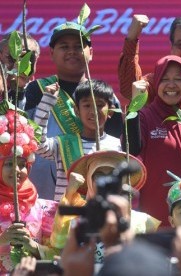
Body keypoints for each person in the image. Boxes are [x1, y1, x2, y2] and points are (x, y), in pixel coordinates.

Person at [23, 21, 123, 200]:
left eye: (78, 46)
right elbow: (25, 140)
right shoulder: (37, 90)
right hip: (42, 197)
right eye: (64, 46)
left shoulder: (103, 95)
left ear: (90, 53)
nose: (71, 51)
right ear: (52, 53)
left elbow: (117, 146)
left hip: (96, 199)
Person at [125, 55, 181, 227]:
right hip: (155, 220)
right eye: (164, 79)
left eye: (178, 79)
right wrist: (135, 105)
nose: (171, 85)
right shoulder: (143, 116)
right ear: (156, 82)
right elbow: (132, 150)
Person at [49, 150, 160, 264]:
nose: (106, 182)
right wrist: (69, 193)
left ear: (124, 182)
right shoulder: (77, 220)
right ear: (89, 179)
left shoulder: (145, 222)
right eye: (98, 176)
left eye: (113, 175)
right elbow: (57, 243)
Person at [34, 79, 121, 201]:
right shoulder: (62, 144)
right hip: (68, 216)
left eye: (100, 105)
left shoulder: (117, 146)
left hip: (103, 216)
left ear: (110, 111)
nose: (93, 111)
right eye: (87, 105)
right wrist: (46, 102)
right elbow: (37, 143)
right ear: (76, 111)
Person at [0, 110, 58, 273]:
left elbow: (60, 257)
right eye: (9, 164)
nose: (17, 170)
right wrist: (2, 241)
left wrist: (33, 246)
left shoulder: (44, 209)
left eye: (23, 164)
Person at [0, 32, 40, 109]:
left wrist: (18, 89)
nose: (19, 65)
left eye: (28, 58)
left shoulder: (43, 94)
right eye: (12, 58)